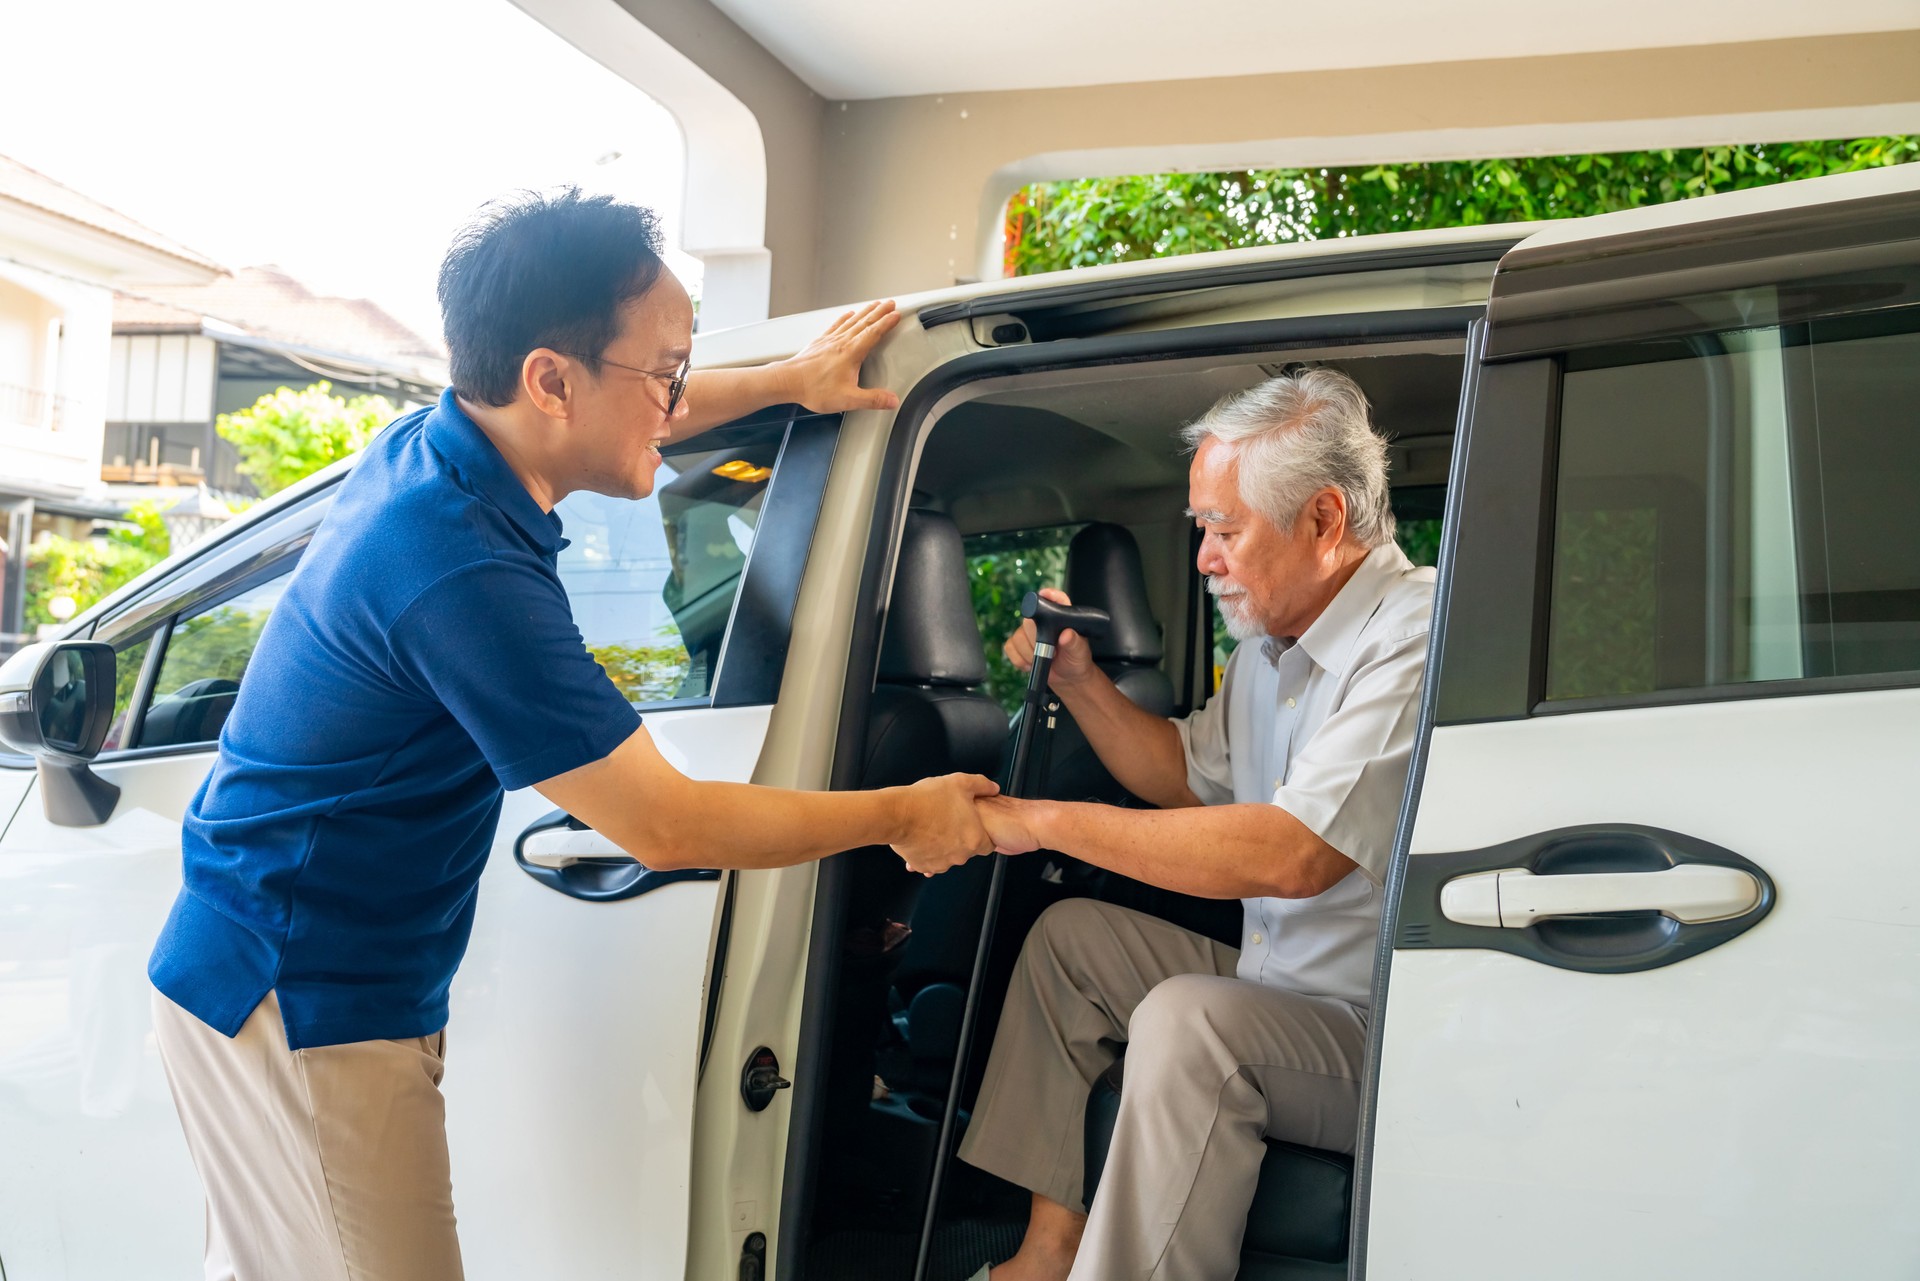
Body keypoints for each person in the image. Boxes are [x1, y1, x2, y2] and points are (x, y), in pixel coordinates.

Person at [146, 189, 997, 1281]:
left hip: (291, 973)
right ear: (550, 378)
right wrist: (904, 812)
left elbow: (638, 415)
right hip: (300, 992)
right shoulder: (456, 566)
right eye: (666, 371)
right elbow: (666, 822)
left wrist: (788, 384)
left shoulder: (448, 444)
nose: (678, 398)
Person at [959, 367, 1436, 1281]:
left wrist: (1042, 821)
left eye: (1225, 530)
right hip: (1279, 981)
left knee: (1190, 1020)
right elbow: (1185, 774)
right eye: (1201, 530)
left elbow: (1293, 855)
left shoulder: (1411, 635)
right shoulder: (1271, 647)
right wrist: (1082, 684)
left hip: (1377, 1025)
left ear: (1325, 522)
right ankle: (1048, 1254)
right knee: (1071, 941)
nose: (1205, 559)